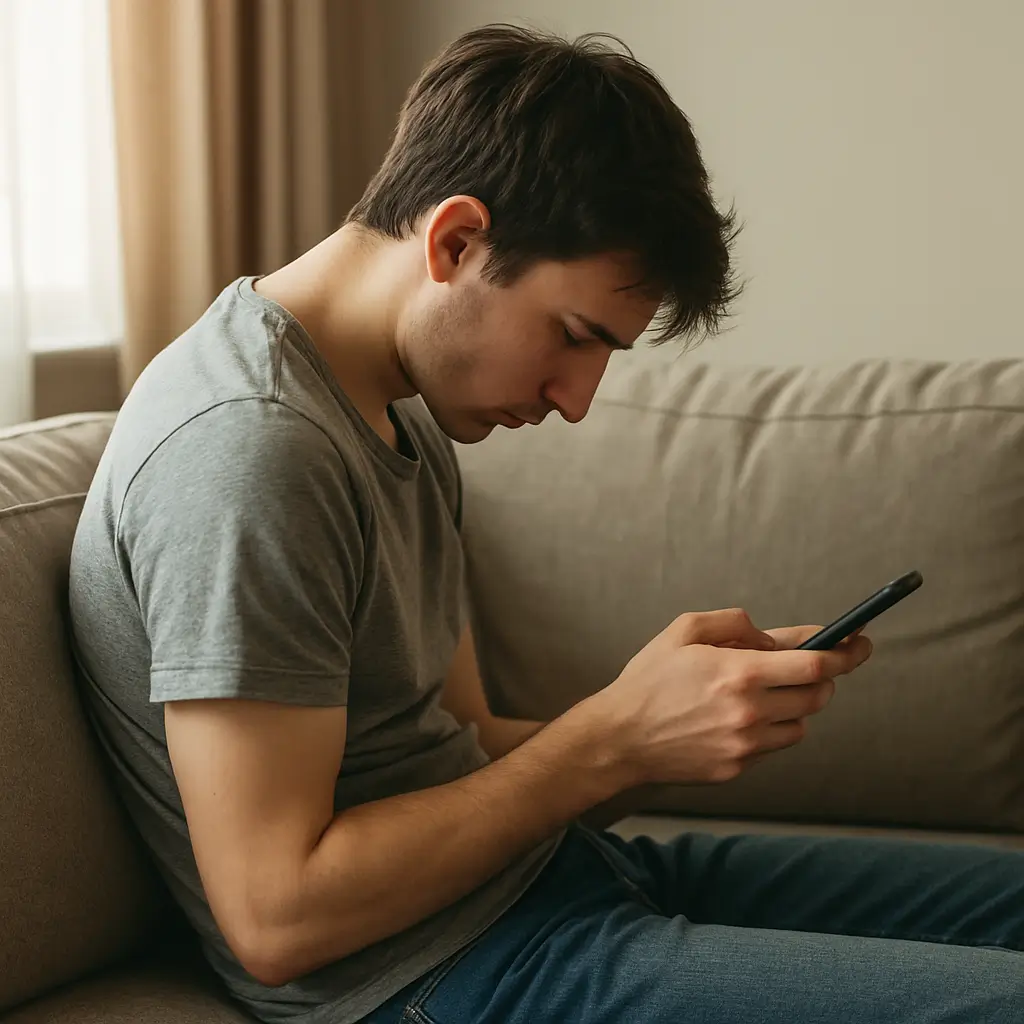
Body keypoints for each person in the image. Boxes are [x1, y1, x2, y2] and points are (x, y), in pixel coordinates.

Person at [68, 23, 1022, 1024]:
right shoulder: (249, 452)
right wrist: (612, 739)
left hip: (550, 886)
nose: (575, 401)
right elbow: (278, 915)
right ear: (454, 241)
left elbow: (471, 743)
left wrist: (662, 728)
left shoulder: (397, 411)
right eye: (573, 337)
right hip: (430, 978)